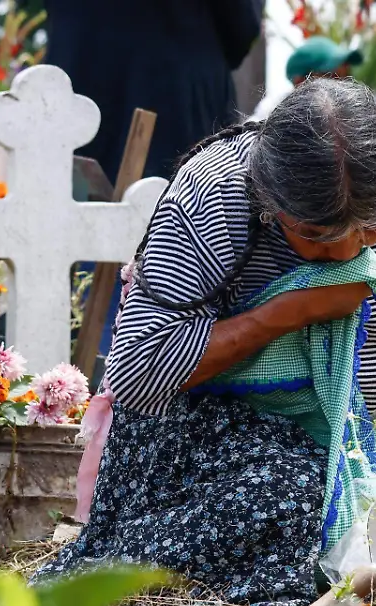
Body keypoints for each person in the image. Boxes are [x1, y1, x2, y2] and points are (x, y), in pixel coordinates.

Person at [33, 79, 376, 606]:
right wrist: (289, 312)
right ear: (271, 206)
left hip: (350, 442)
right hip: (197, 436)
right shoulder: (215, 194)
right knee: (285, 496)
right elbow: (138, 372)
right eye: (319, 237)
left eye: (369, 232)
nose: (349, 249)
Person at [43, 0, 261, 357]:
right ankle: (135, 369)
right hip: (176, 83)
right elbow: (239, 26)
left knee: (71, 237)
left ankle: (58, 379)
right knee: (175, 235)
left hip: (81, 73)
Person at [252, 37, 364, 121]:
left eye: (346, 77)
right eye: (332, 76)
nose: (341, 86)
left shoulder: (349, 121)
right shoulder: (271, 115)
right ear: (300, 81)